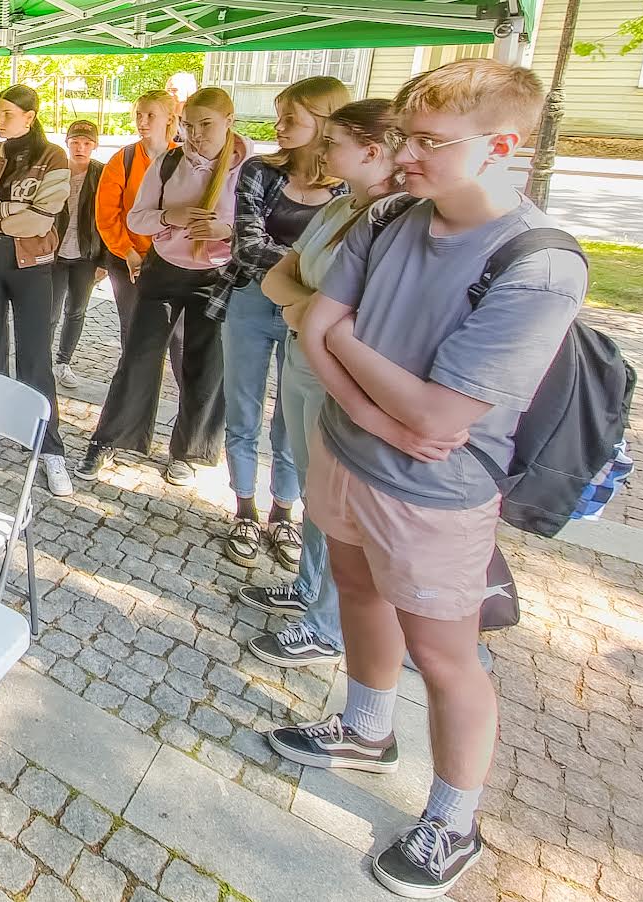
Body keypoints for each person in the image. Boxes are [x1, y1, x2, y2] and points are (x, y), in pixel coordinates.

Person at [268, 60, 586, 898]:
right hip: (352, 447)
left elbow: (444, 419)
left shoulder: (539, 261)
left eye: (429, 142)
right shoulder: (393, 218)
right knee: (357, 590)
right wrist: (374, 411)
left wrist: (349, 349)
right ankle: (367, 728)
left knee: (446, 656)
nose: (405, 155)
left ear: (502, 148)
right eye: (404, 137)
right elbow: (315, 325)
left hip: (437, 491)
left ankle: (454, 818)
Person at [241, 98, 401, 667]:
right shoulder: (342, 208)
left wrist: (311, 313)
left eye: (334, 142)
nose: (323, 152)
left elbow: (361, 314)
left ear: (372, 151)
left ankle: (329, 624)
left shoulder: (395, 221)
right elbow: (279, 278)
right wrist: (312, 312)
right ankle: (311, 590)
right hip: (306, 359)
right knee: (314, 489)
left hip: (339, 376)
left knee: (335, 500)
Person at [78, 88, 251, 486]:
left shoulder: (251, 168)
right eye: (189, 125)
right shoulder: (169, 161)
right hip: (164, 269)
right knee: (138, 357)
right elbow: (137, 220)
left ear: (229, 121)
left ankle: (189, 450)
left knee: (204, 365)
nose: (195, 134)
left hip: (216, 276)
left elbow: (267, 227)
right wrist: (168, 215)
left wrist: (226, 230)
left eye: (206, 124)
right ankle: (111, 438)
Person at [212, 76, 350, 571]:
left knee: (295, 420)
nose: (280, 126)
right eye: (280, 116)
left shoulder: (350, 185)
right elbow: (245, 246)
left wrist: (297, 271)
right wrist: (312, 269)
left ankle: (283, 513)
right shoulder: (259, 171)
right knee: (243, 408)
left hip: (314, 316)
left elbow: (354, 262)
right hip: (252, 301)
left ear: (325, 121)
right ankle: (244, 508)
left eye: (292, 118)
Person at [0, 84, 73, 497]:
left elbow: (42, 219)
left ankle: (50, 447)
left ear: (30, 116)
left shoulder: (53, 156)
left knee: (35, 356)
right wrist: (11, 212)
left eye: (7, 113)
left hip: (32, 265)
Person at [94, 90, 184, 385]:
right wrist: (129, 253)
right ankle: (133, 393)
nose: (142, 121)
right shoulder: (124, 158)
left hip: (174, 261)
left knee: (179, 336)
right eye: (138, 115)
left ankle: (189, 400)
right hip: (128, 259)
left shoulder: (184, 159)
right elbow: (107, 215)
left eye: (150, 115)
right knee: (134, 332)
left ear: (169, 118)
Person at [50, 119, 106, 389]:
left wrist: (104, 261)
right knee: (49, 312)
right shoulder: (56, 170)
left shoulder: (102, 174)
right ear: (67, 143)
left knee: (76, 311)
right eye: (75, 142)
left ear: (94, 146)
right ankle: (41, 361)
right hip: (55, 256)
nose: (80, 148)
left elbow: (108, 218)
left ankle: (63, 362)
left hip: (86, 256)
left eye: (86, 143)